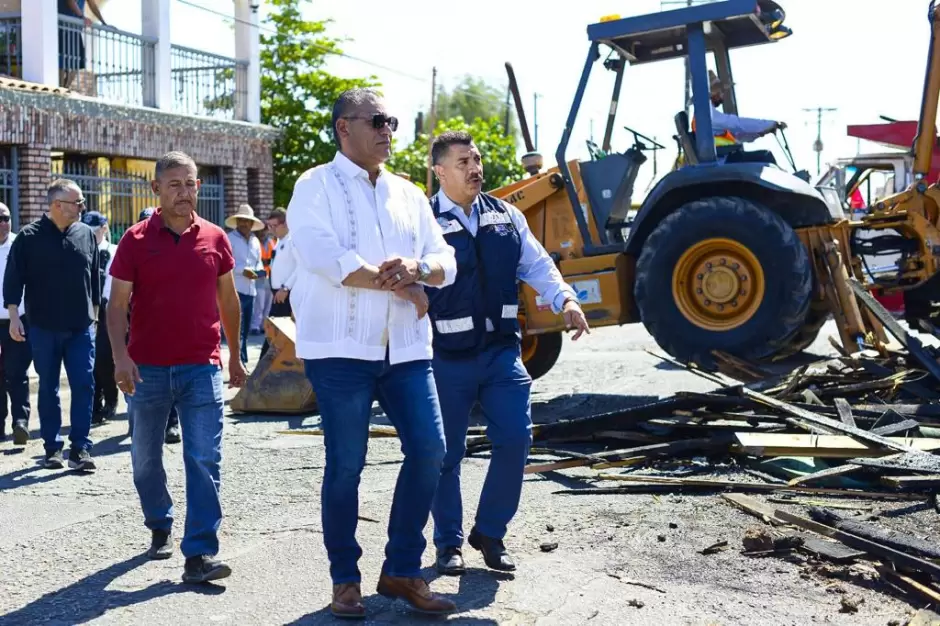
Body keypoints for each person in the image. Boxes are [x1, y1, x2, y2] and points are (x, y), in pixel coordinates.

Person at [287, 87, 458, 618]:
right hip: (340, 350)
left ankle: (402, 569)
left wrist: (420, 272)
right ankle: (345, 578)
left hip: (406, 347)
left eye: (393, 122)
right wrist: (401, 285)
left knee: (431, 450)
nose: (388, 131)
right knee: (346, 465)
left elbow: (444, 257)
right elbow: (322, 255)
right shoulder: (314, 185)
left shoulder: (408, 193)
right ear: (344, 128)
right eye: (378, 121)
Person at [424, 131, 591, 575]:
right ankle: (448, 543)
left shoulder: (506, 216)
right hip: (446, 357)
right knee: (445, 454)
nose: (474, 167)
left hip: (501, 353)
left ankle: (491, 533)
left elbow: (538, 265)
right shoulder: (421, 221)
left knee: (516, 439)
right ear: (440, 171)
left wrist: (567, 302)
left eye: (476, 159)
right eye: (463, 161)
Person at [107, 151, 248, 584]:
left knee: (204, 457)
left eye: (190, 184)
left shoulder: (215, 238)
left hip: (201, 366)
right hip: (147, 369)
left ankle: (200, 553)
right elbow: (116, 306)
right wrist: (121, 357)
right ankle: (159, 522)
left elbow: (229, 299)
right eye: (174, 185)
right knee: (145, 458)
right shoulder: (134, 239)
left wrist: (236, 354)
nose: (184, 193)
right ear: (156, 190)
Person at [3, 178, 99, 471]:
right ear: (57, 205)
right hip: (43, 327)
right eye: (77, 202)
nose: (82, 207)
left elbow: (94, 278)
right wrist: (14, 317)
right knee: (48, 388)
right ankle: (52, 448)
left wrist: (95, 315)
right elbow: (13, 279)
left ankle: (80, 448)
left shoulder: (86, 234)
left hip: (81, 327)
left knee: (84, 384)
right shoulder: (29, 237)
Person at [127, 207, 181, 445]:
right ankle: (141, 425)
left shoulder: (176, 250)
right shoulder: (130, 250)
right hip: (142, 331)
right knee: (144, 382)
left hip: (173, 330)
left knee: (173, 380)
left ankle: (172, 424)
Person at [693, 70, 784, 164]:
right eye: (722, 91)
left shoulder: (704, 113)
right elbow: (737, 123)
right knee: (766, 156)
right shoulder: (706, 113)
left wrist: (759, 133)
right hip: (723, 161)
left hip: (723, 159)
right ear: (714, 93)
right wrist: (771, 124)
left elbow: (735, 136)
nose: (723, 95)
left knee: (764, 156)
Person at [83, 210, 119, 426]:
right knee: (89, 361)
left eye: (95, 231)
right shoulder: (83, 250)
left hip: (105, 309)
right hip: (84, 309)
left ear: (104, 229)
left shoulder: (112, 252)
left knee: (104, 359)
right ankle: (94, 406)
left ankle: (111, 398)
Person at [0, 202, 31, 445]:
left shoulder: (20, 244)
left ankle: (21, 421)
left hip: (18, 320)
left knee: (17, 372)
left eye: (5, 217)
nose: (2, 223)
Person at [224, 204, 265, 365]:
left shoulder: (255, 241)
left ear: (252, 223)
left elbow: (259, 262)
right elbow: (226, 263)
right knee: (237, 331)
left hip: (251, 290)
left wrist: (260, 271)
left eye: (246, 221)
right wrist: (243, 270)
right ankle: (239, 362)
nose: (243, 223)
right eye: (240, 220)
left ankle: (244, 360)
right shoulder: (230, 239)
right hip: (235, 289)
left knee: (246, 330)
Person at [259, 207, 294, 359]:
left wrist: (286, 288)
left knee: (275, 334)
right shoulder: (279, 242)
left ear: (285, 224)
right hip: (277, 293)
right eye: (270, 226)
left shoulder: (293, 240)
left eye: (274, 226)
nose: (272, 230)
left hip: (286, 294)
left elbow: (301, 268)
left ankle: (262, 367)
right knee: (274, 334)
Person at [250, 226, 277, 335]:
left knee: (268, 303)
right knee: (259, 303)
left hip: (270, 276)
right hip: (259, 276)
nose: (263, 233)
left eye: (265, 230)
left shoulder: (272, 242)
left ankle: (263, 325)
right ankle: (255, 326)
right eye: (261, 231)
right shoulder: (254, 243)